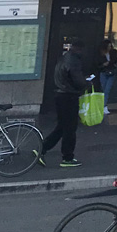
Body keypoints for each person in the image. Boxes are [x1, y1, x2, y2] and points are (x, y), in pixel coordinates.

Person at [37, 38, 92, 168]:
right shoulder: (74, 61)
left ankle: (42, 148)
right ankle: (67, 158)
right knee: (70, 129)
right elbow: (77, 80)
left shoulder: (64, 58)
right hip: (69, 96)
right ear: (79, 49)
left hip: (60, 94)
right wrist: (87, 83)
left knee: (62, 126)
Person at [98, 39, 117, 115]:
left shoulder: (113, 52)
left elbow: (115, 61)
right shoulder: (100, 54)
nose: (110, 47)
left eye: (110, 46)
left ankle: (104, 106)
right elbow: (97, 63)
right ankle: (103, 106)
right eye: (108, 46)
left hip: (111, 72)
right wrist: (103, 65)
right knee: (103, 89)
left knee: (107, 90)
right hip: (104, 72)